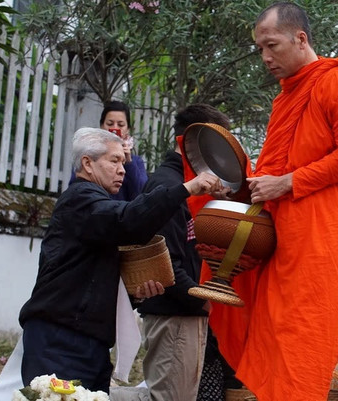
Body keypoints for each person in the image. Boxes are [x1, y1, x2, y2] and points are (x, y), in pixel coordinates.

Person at [205, 3, 338, 400]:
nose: (265, 58)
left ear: (300, 39)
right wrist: (242, 187)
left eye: (272, 46)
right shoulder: (287, 97)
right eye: (260, 49)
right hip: (282, 237)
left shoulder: (335, 81)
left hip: (323, 236)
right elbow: (278, 164)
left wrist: (286, 183)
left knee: (304, 336)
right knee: (274, 335)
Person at [18, 127, 223, 393]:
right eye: (114, 161)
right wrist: (186, 189)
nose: (123, 170)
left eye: (124, 162)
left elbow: (96, 274)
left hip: (92, 341)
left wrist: (136, 294)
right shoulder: (80, 199)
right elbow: (127, 221)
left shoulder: (98, 205)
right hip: (60, 339)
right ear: (87, 164)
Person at [137, 104, 231, 401]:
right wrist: (205, 303)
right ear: (197, 142)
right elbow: (163, 263)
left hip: (187, 314)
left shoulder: (191, 186)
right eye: (219, 147)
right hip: (176, 317)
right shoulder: (168, 186)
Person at [71, 101, 148, 201]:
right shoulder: (89, 155)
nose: (115, 129)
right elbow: (75, 187)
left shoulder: (135, 162)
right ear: (101, 126)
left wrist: (128, 163)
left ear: (128, 129)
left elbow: (142, 194)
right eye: (110, 123)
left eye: (120, 125)